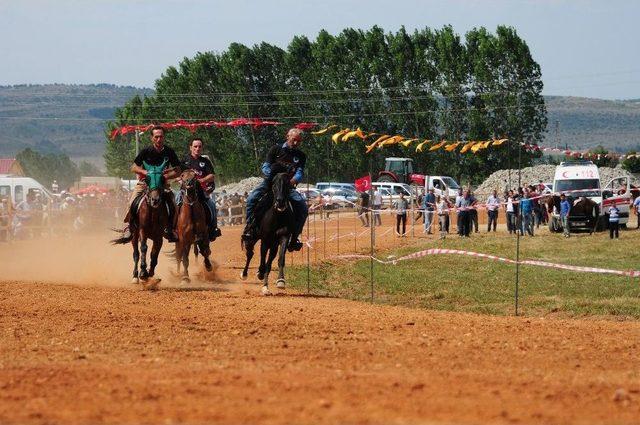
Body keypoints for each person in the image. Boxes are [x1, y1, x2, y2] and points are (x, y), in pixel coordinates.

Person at [242, 128, 308, 251]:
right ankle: (249, 228)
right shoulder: (275, 149)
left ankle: (294, 237)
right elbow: (265, 166)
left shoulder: (301, 156)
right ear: (287, 136)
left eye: (298, 141)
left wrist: (291, 181)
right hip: (270, 183)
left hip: (287, 187)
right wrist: (273, 175)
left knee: (303, 208)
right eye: (294, 140)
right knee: (251, 199)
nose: (296, 143)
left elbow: (299, 173)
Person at [122, 126, 182, 242]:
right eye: (156, 137)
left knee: (173, 203)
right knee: (132, 201)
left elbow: (178, 170)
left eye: (161, 137)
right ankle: (130, 227)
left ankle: (170, 229)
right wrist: (146, 172)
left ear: (164, 137)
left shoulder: (169, 152)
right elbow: (133, 167)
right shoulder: (146, 151)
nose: (159, 139)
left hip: (163, 185)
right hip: (145, 183)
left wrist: (164, 176)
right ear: (152, 138)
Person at [178, 138, 222, 241]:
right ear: (190, 147)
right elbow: (177, 174)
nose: (197, 148)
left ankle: (213, 229)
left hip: (200, 191)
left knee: (211, 204)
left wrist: (201, 180)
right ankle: (172, 229)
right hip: (185, 191)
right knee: (175, 201)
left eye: (199, 146)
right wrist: (180, 181)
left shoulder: (205, 161)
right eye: (195, 146)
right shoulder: (183, 161)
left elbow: (211, 175)